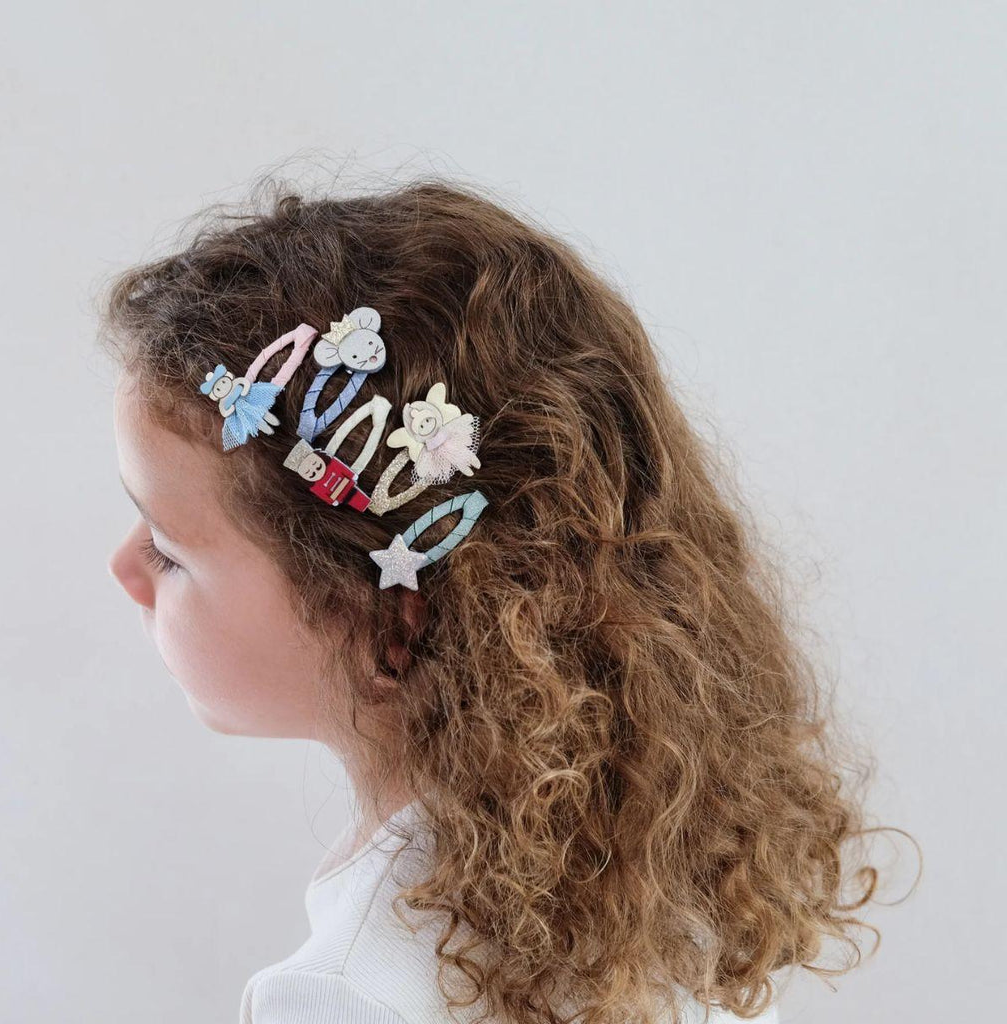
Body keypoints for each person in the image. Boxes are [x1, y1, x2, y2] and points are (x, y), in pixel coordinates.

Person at [102, 177, 886, 1024]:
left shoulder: (342, 993)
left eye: (169, 550)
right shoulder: (652, 885)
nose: (124, 568)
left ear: (385, 622)